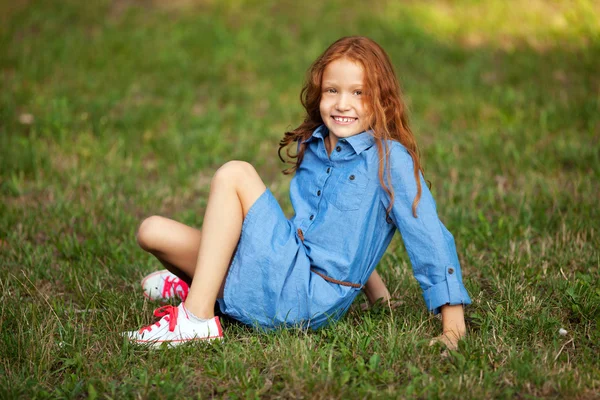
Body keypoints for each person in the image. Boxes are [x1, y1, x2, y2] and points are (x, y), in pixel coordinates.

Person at [123, 36, 471, 349]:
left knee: (235, 173)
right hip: (285, 266)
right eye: (332, 90)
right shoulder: (316, 145)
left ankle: (196, 318)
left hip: (308, 295)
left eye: (358, 93)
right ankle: (206, 288)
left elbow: (429, 237)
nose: (342, 104)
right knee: (151, 231)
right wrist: (378, 295)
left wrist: (453, 327)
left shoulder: (389, 160)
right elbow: (337, 232)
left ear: (383, 99)